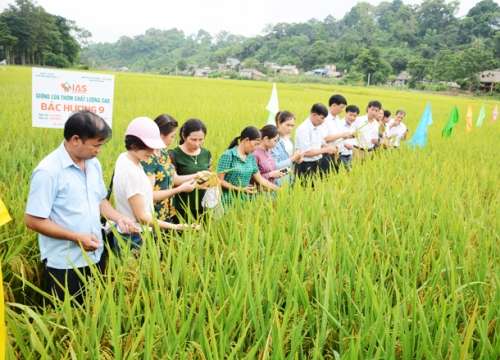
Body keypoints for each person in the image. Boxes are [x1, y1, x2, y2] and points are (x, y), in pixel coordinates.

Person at [25, 110, 138, 303]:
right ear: (76, 139)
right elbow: (33, 220)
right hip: (65, 262)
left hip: (95, 255)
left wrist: (120, 218)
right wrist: (77, 238)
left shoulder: (93, 164)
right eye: (95, 145)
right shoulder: (49, 171)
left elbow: (100, 201)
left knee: (93, 312)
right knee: (67, 319)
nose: (99, 150)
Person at [113, 117, 197, 255]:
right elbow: (141, 216)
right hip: (135, 234)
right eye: (149, 148)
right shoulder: (133, 174)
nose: (152, 152)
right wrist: (175, 227)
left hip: (130, 230)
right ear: (134, 145)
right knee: (141, 274)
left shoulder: (125, 158)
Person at [142, 114, 206, 224]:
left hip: (168, 213)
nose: (173, 140)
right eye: (172, 136)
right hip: (153, 217)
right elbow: (149, 194)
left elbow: (174, 179)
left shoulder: (163, 154)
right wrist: (180, 189)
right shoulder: (148, 157)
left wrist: (197, 175)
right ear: (161, 135)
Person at [217, 126, 279, 207]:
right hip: (227, 200)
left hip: (244, 200)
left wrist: (278, 189)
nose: (256, 148)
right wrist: (240, 190)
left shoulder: (250, 157)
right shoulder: (229, 155)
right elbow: (219, 180)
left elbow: (259, 179)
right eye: (255, 144)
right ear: (246, 140)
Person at [167, 118, 213, 222]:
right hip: (182, 206)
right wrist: (197, 175)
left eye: (201, 139)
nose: (197, 144)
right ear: (183, 136)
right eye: (193, 140)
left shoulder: (206, 153)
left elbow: (209, 175)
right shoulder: (173, 154)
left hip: (204, 205)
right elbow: (174, 180)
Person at [295, 103, 340, 180]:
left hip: (317, 163)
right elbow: (306, 152)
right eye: (322, 118)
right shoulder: (304, 129)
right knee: (306, 189)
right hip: (305, 165)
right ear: (314, 115)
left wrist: (331, 147)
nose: (323, 121)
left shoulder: (318, 127)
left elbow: (321, 144)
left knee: (316, 189)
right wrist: (326, 150)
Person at [318, 94, 351, 172]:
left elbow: (337, 135)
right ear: (334, 105)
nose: (342, 110)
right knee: (326, 178)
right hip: (327, 154)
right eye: (341, 107)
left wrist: (345, 136)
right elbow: (324, 139)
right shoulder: (324, 119)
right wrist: (342, 135)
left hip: (337, 154)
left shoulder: (337, 118)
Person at [270, 111, 304, 185]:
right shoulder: (275, 141)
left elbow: (288, 159)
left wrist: (296, 159)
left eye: (292, 126)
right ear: (279, 123)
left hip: (288, 176)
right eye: (287, 125)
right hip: (277, 180)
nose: (290, 128)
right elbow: (274, 166)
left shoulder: (288, 138)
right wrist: (293, 159)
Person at [251, 125, 284, 189]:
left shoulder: (268, 151)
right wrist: (270, 174)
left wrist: (275, 174)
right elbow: (252, 178)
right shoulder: (255, 153)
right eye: (275, 141)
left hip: (270, 191)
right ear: (266, 138)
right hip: (258, 193)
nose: (276, 144)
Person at [338, 105, 359, 170]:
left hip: (350, 154)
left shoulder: (354, 126)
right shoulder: (339, 124)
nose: (352, 117)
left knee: (349, 174)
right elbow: (335, 138)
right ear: (345, 113)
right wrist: (344, 144)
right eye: (350, 115)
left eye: (354, 116)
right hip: (340, 154)